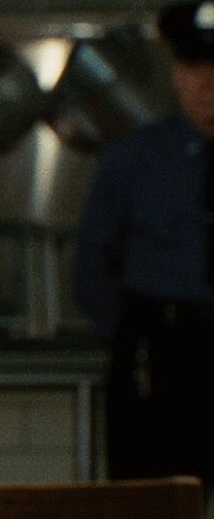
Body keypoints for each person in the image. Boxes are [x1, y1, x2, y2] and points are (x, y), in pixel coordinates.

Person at [73, 0, 214, 490]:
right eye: (194, 67)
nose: (208, 83)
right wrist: (132, 339)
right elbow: (93, 261)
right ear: (176, 73)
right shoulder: (135, 159)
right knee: (147, 505)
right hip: (158, 350)